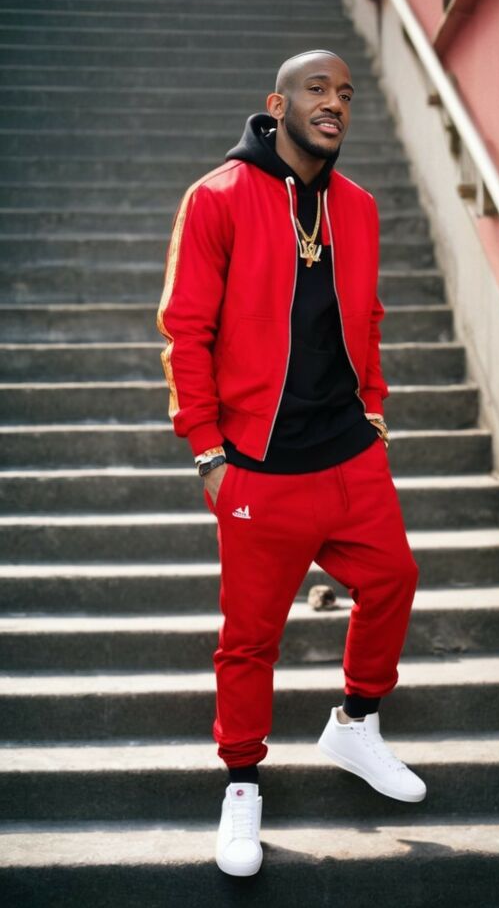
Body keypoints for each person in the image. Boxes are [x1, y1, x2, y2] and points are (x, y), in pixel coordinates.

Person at [157, 48, 426, 878]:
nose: (335, 102)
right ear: (277, 105)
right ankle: (242, 784)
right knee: (250, 640)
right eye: (317, 89)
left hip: (348, 454)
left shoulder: (360, 206)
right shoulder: (217, 198)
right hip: (258, 465)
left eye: (346, 92)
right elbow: (186, 329)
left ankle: (356, 724)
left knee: (394, 579)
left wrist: (373, 408)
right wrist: (208, 450)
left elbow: (369, 315)